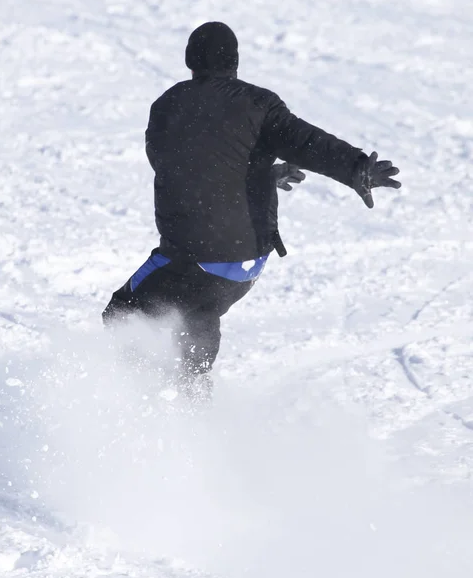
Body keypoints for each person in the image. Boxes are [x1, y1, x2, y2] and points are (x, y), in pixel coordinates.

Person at [102, 21, 401, 401]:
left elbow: (177, 165)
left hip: (195, 258)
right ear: (236, 61)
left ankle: (135, 405)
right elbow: (305, 142)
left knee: (122, 315)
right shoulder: (259, 104)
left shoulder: (166, 107)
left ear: (189, 59)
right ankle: (193, 411)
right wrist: (355, 168)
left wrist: (257, 175)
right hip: (245, 265)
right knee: (198, 314)